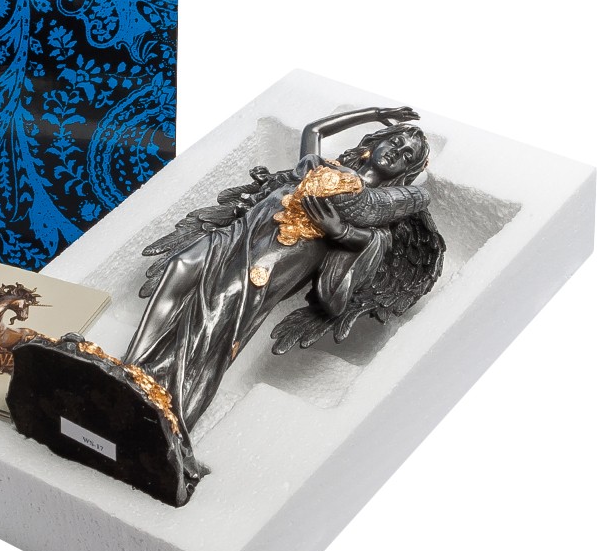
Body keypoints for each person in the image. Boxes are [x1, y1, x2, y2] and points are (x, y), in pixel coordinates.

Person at [123, 106, 444, 440]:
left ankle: (171, 411)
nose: (397, 152)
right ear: (375, 142)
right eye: (395, 142)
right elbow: (314, 130)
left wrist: (337, 230)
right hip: (240, 236)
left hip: (276, 261)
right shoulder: (322, 168)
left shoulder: (378, 209)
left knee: (217, 316)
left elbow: (373, 243)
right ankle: (132, 366)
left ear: (407, 171)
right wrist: (374, 113)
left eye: (407, 156)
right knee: (180, 266)